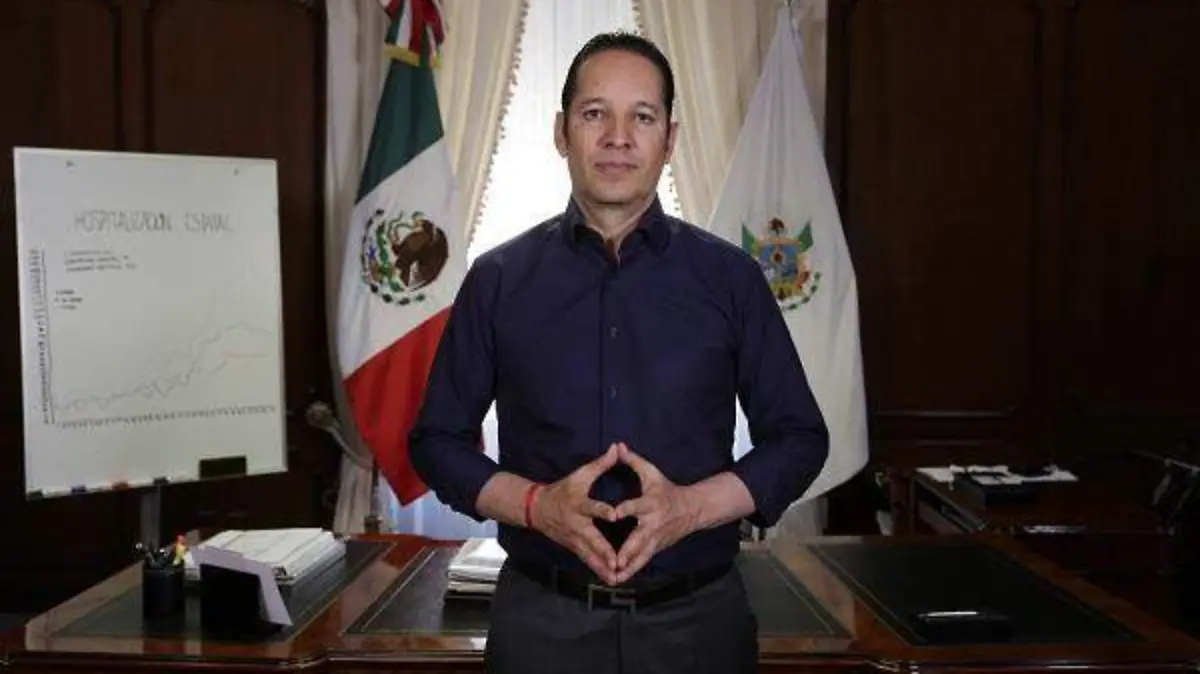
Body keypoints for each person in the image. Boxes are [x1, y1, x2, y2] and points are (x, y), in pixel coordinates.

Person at [409, 30, 829, 674]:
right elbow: (436, 442)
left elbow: (800, 439)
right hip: (540, 626)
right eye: (595, 113)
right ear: (561, 132)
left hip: (698, 626)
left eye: (643, 117)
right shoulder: (496, 279)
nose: (618, 138)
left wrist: (690, 509)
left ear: (670, 139)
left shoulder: (732, 279)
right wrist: (536, 507)